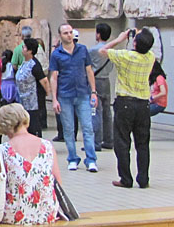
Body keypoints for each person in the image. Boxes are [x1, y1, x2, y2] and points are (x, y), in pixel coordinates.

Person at [0, 103, 62, 227]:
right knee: (19, 203)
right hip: (47, 212)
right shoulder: (47, 146)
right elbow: (58, 182)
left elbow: (1, 186)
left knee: (7, 208)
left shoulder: (2, 150)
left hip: (17, 215)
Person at [98, 27, 156, 188]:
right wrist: (138, 36)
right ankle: (143, 179)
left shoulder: (126, 56)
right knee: (143, 143)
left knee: (122, 142)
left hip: (125, 103)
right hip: (143, 104)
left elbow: (102, 50)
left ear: (135, 43)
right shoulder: (150, 57)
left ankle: (126, 178)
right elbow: (144, 46)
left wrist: (120, 39)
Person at [49, 22, 98, 172]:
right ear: (60, 36)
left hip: (83, 94)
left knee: (88, 128)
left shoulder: (82, 50)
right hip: (65, 96)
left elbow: (89, 71)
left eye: (70, 32)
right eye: (65, 33)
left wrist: (94, 91)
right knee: (69, 130)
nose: (69, 35)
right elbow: (54, 77)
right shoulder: (56, 55)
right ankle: (72, 158)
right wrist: (54, 98)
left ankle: (91, 159)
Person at [14, 37, 50, 137]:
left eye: (24, 47)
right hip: (23, 99)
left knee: (33, 125)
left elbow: (44, 80)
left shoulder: (34, 65)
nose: (22, 49)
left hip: (32, 101)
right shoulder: (24, 63)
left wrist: (47, 92)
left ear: (30, 51)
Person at [89, 22, 115, 150]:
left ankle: (96, 142)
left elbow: (87, 67)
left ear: (98, 34)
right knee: (107, 111)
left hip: (96, 81)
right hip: (106, 80)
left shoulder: (93, 50)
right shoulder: (111, 50)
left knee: (95, 111)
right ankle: (109, 140)